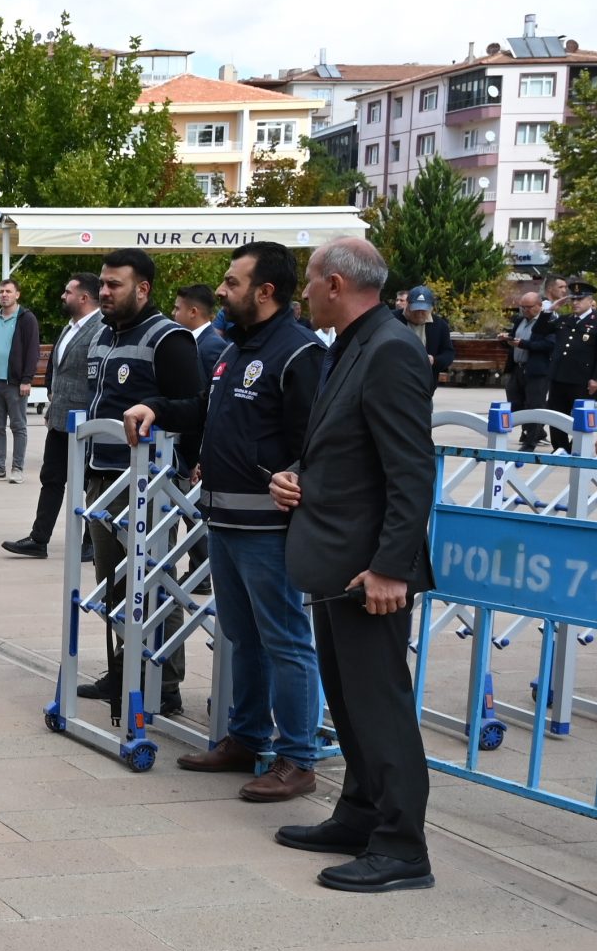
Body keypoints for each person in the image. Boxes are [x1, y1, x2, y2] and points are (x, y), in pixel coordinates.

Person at [267, 237, 435, 893]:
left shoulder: (391, 348)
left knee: (379, 704)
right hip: (337, 558)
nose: (304, 291)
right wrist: (297, 476)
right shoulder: (353, 344)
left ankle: (401, 847)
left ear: (336, 284)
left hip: (371, 569)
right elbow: (343, 447)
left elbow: (410, 466)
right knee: (349, 700)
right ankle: (361, 814)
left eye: (311, 281)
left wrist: (392, 566)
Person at [133, 242, 325, 801]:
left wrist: (295, 476)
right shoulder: (234, 349)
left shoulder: (298, 352)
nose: (220, 291)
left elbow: (316, 441)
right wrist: (160, 409)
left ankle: (296, 757)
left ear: (265, 292)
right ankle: (246, 737)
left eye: (231, 282)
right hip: (224, 519)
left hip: (270, 528)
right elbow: (206, 409)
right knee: (243, 638)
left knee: (286, 640)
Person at [76, 249, 201, 715]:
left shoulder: (169, 340)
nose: (104, 292)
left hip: (149, 484)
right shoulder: (103, 336)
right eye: (103, 284)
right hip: (101, 478)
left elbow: (193, 408)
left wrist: (178, 473)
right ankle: (124, 671)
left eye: (115, 285)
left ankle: (162, 681)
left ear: (143, 289)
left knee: (155, 582)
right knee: (112, 584)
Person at [2, 273, 102, 561]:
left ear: (83, 297)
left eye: (68, 291)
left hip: (84, 421)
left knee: (88, 482)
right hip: (60, 418)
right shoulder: (70, 327)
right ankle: (39, 539)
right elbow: (59, 370)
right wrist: (52, 403)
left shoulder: (100, 328)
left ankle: (92, 541)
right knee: (51, 477)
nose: (63, 296)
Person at [542, 281, 597, 447]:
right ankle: (560, 448)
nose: (575, 303)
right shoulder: (564, 319)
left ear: (590, 301)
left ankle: (578, 446)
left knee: (581, 416)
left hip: (582, 378)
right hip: (559, 375)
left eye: (580, 299)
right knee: (556, 415)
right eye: (573, 299)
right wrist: (549, 310)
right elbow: (539, 331)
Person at [0, 278, 39, 481]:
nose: (3, 295)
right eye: (0, 292)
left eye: (8, 291)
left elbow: (32, 351)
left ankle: (17, 468)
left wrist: (27, 379)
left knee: (18, 426)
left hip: (15, 383)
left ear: (17, 294)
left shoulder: (26, 318)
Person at [506, 288, 557, 447]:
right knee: (516, 403)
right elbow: (515, 341)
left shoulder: (548, 322)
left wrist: (523, 344)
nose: (524, 310)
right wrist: (506, 339)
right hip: (517, 367)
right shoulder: (519, 320)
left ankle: (531, 440)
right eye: (522, 307)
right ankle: (531, 432)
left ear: (539, 306)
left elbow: (549, 344)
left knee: (534, 404)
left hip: (536, 369)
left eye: (528, 307)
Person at [401, 287, 454, 381]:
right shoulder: (392, 319)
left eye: (423, 310)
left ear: (431, 308)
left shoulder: (440, 326)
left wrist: (434, 360)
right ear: (407, 305)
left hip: (424, 382)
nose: (419, 313)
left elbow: (448, 354)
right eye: (416, 309)